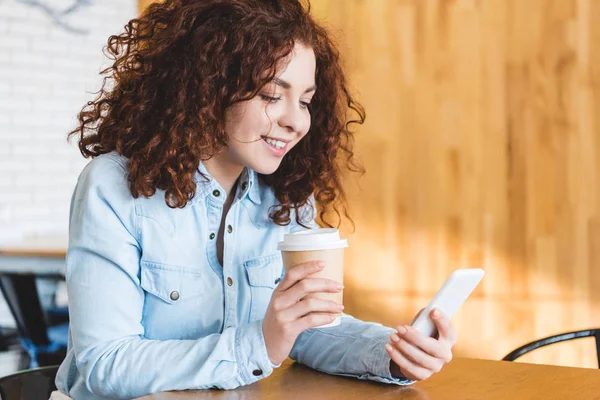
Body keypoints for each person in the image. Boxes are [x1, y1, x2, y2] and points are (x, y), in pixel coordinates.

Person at [53, 0, 456, 398]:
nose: (296, 121)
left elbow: (301, 331)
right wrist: (257, 345)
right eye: (270, 94)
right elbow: (104, 364)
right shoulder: (114, 187)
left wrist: (393, 353)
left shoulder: (286, 195)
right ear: (208, 89)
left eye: (305, 100)